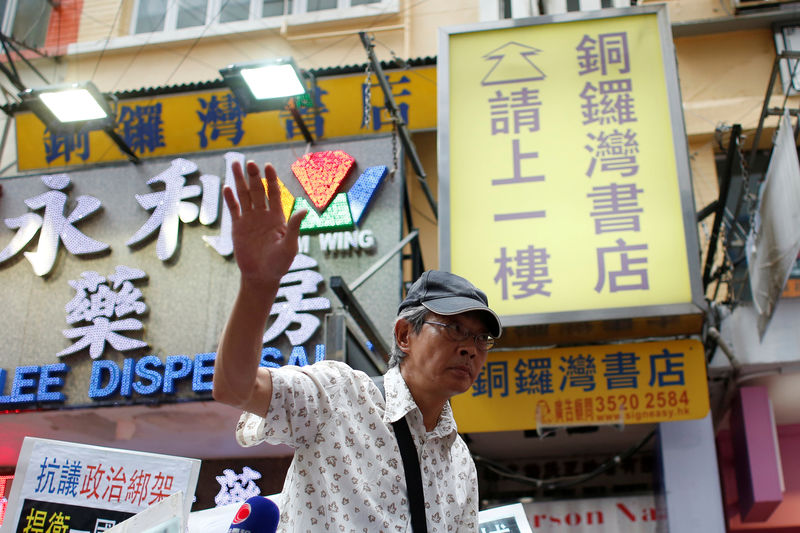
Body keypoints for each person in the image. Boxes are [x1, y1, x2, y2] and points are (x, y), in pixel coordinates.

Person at [212, 160, 502, 532]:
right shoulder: (338, 396)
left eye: (481, 338)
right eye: (454, 329)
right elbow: (235, 387)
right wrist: (258, 285)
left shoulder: (460, 461)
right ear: (403, 336)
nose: (470, 348)